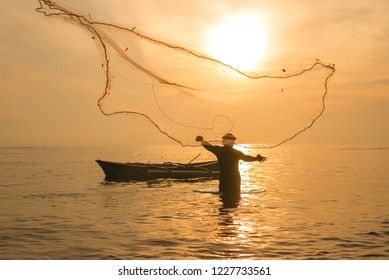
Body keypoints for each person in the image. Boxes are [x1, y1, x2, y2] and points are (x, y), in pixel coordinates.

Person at [196, 133, 267, 195]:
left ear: (223, 142)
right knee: (235, 196)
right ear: (233, 143)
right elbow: (246, 158)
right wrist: (256, 158)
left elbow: (209, 147)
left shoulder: (219, 151)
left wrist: (201, 141)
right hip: (235, 179)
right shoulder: (236, 152)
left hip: (224, 178)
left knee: (223, 195)